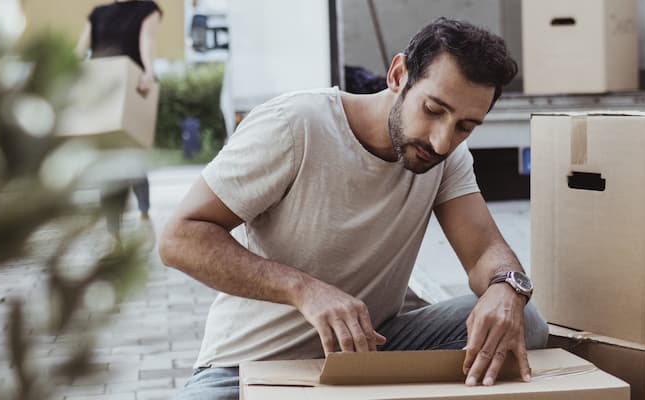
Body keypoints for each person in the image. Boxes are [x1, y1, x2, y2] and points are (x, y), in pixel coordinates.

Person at [159, 18, 547, 400]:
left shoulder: (446, 157)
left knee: (524, 323)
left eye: (465, 126)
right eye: (433, 109)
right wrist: (303, 290)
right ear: (398, 75)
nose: (443, 140)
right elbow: (180, 237)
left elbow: (483, 252)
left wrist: (507, 286)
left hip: (369, 352)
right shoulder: (296, 126)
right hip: (251, 364)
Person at [75, 0, 160, 235]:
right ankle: (113, 232)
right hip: (102, 90)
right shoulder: (98, 13)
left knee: (134, 157)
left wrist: (148, 72)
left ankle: (144, 213)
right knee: (107, 164)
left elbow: (147, 42)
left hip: (133, 87)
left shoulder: (147, 9)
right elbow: (81, 48)